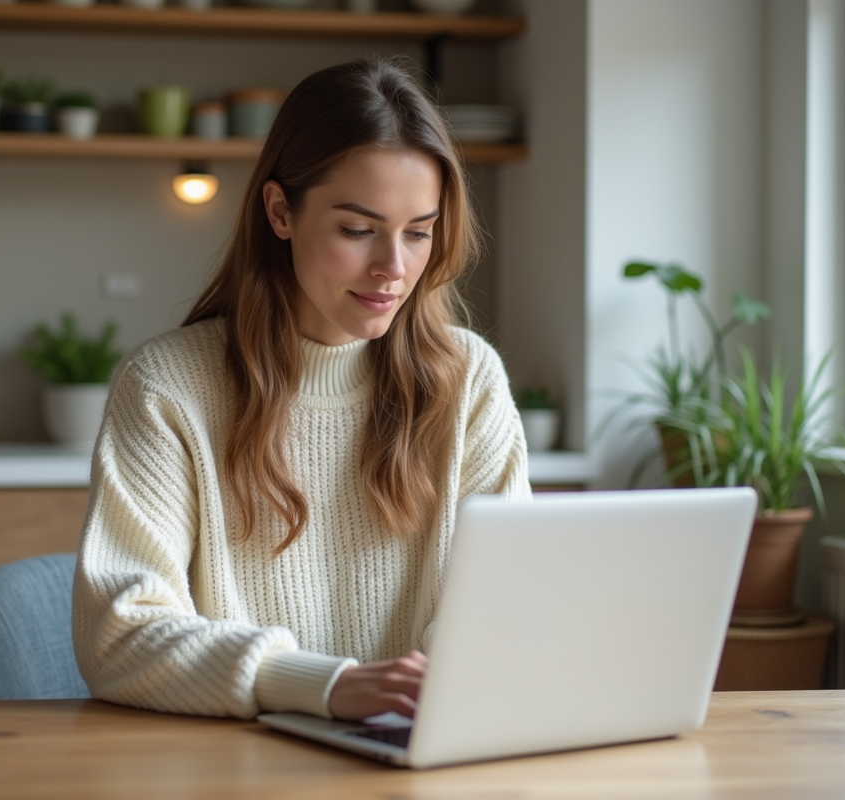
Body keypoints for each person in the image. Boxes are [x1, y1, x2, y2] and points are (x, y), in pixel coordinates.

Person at [72, 57, 531, 723]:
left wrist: (435, 699)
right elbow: (118, 635)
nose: (393, 269)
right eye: (357, 229)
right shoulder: (168, 388)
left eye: (419, 233)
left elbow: (509, 607)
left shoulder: (469, 382)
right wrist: (323, 685)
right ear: (281, 211)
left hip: (418, 762)